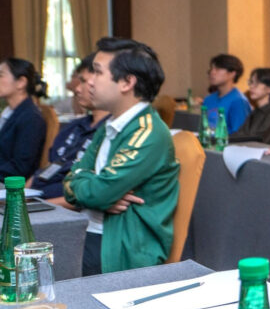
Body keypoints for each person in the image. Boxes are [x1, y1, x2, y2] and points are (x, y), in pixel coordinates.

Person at [64, 37, 179, 276]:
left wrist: (95, 191)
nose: (89, 82)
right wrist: (96, 193)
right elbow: (70, 181)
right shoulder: (110, 125)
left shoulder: (148, 133)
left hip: (121, 250)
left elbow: (99, 190)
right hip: (92, 233)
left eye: (97, 72)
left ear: (127, 82)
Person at [31, 54, 109, 204]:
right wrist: (18, 196)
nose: (77, 89)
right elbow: (48, 168)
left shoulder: (112, 130)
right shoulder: (74, 126)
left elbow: (95, 194)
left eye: (84, 81)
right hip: (38, 197)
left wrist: (36, 206)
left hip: (61, 207)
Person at [0, 57, 48, 179]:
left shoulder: (31, 118)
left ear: (21, 82)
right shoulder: (10, 112)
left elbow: (20, 167)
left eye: (1, 75)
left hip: (11, 184)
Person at [229, 68, 270, 144]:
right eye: (251, 82)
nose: (251, 86)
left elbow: (258, 138)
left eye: (256, 83)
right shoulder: (256, 111)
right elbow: (240, 133)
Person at [202, 53, 250, 134]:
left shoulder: (238, 101)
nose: (212, 72)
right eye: (211, 69)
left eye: (217, 69)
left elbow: (240, 135)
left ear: (232, 74)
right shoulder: (208, 99)